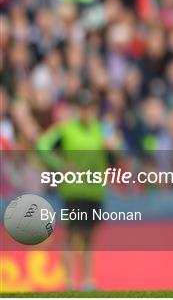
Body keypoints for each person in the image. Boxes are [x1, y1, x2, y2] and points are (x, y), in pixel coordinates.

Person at [36, 90, 112, 291]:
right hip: (74, 190)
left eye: (90, 107)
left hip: (95, 191)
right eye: (84, 107)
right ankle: (69, 282)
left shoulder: (102, 130)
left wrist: (113, 146)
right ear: (79, 109)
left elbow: (119, 151)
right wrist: (60, 165)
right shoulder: (67, 128)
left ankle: (88, 281)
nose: (87, 111)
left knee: (88, 237)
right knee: (71, 236)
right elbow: (42, 145)